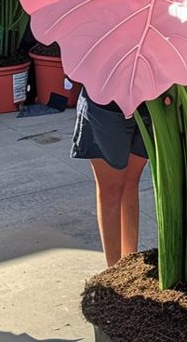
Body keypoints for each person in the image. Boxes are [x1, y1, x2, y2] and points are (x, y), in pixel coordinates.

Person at [71, 88, 149, 266]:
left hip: (147, 100)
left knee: (130, 183)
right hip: (103, 101)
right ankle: (114, 272)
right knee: (111, 191)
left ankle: (130, 266)